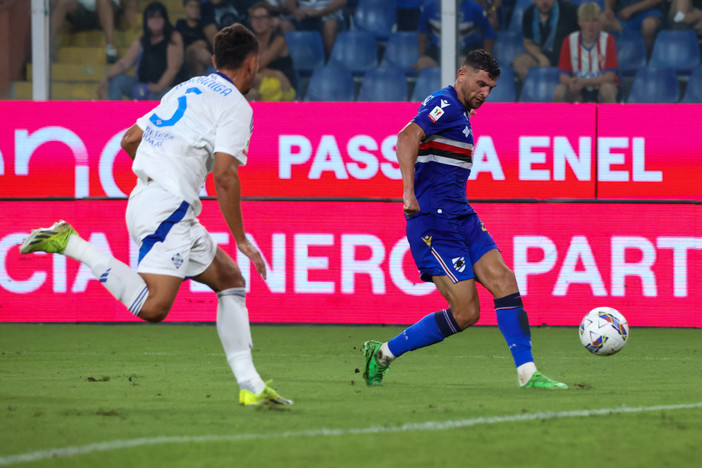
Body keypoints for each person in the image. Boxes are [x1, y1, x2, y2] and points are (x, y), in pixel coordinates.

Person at [21, 23, 293, 407]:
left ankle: (250, 384)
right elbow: (225, 175)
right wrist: (242, 238)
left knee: (230, 280)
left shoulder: (187, 87)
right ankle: (71, 243)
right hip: (169, 209)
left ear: (215, 60)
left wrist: (158, 174)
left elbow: (129, 139)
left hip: (154, 201)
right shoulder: (236, 106)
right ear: (253, 63)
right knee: (153, 307)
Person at [362, 49, 568, 390]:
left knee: (504, 280)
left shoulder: (462, 113)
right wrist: (408, 192)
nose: (485, 93)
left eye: (490, 88)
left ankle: (528, 374)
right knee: (466, 312)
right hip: (433, 222)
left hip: (461, 215)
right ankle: (383, 353)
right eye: (480, 84)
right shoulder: (443, 105)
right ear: (461, 75)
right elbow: (406, 136)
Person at [98, 1, 185, 101]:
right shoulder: (144, 39)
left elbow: (173, 69)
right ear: (146, 21)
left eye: (158, 17)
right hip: (142, 85)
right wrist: (107, 77)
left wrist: (157, 87)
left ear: (165, 19)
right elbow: (125, 63)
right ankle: (114, 113)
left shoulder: (173, 37)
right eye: (152, 17)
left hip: (164, 89)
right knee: (117, 81)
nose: (155, 20)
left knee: (153, 96)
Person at [554, 2, 620, 103]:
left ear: (600, 23)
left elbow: (610, 77)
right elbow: (563, 76)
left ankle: (609, 118)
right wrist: (571, 82)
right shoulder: (569, 40)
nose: (591, 25)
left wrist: (584, 82)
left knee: (607, 89)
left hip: (601, 86)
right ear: (580, 22)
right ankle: (561, 119)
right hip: (579, 87)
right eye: (586, 21)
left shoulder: (608, 40)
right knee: (559, 90)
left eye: (595, 21)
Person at [416, 0, 496, 72]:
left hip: (466, 49)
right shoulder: (429, 6)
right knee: (423, 64)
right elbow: (422, 31)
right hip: (437, 48)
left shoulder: (474, 7)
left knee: (464, 65)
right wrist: (422, 55)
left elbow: (488, 32)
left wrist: (487, 60)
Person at [512, 0, 579, 83]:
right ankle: (533, 91)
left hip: (567, 59)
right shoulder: (529, 13)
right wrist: (541, 57)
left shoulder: (570, 10)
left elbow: (583, 33)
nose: (544, 1)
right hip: (542, 57)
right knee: (520, 62)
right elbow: (528, 43)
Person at [246, 1, 297, 101]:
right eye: (255, 18)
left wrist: (271, 73)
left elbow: (257, 65)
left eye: (262, 17)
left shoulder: (279, 41)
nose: (258, 22)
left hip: (284, 86)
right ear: (251, 22)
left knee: (250, 82)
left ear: (270, 21)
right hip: (265, 83)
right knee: (250, 92)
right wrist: (275, 73)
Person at [51, 0, 121, 63]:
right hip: (81, 13)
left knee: (103, 1)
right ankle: (49, 46)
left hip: (106, 9)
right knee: (63, 2)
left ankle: (110, 47)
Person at [175, 0, 213, 78]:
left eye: (197, 7)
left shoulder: (203, 25)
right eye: (191, 7)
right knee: (193, 50)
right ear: (185, 7)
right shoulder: (180, 25)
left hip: (203, 59)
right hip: (184, 58)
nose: (194, 10)